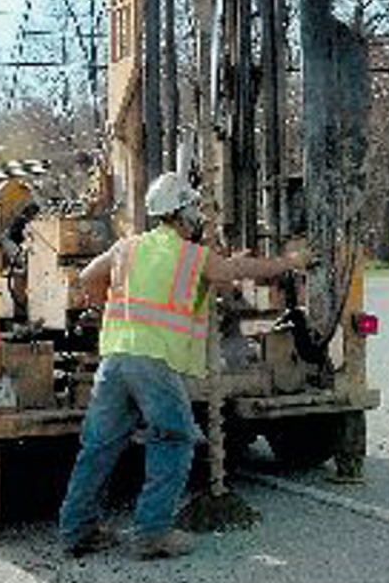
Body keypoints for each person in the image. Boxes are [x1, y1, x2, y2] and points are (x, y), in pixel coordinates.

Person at [59, 171, 311, 561]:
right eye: (194, 209)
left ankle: (77, 530)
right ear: (182, 214)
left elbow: (90, 276)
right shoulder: (192, 255)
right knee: (175, 439)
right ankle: (151, 533)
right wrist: (290, 261)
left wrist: (103, 307)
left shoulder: (127, 247)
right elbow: (236, 273)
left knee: (98, 446)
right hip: (154, 362)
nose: (198, 215)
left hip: (115, 359)